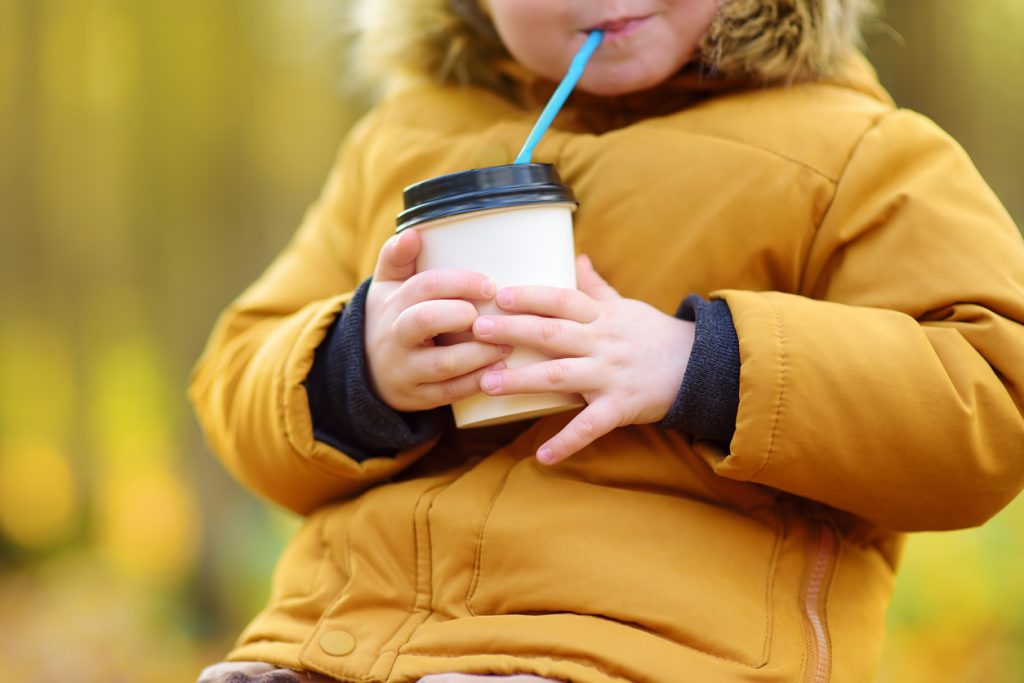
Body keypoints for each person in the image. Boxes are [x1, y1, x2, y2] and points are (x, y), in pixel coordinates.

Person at [190, 0, 1024, 681]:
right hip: (328, 647)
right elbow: (236, 374)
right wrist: (358, 368)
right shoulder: (398, 141)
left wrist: (699, 366)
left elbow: (992, 397)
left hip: (653, 652)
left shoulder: (857, 154)